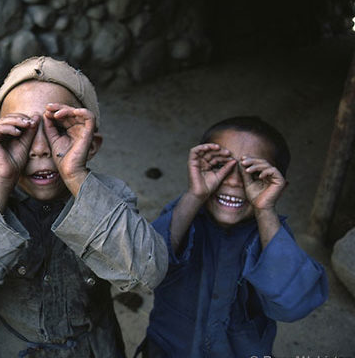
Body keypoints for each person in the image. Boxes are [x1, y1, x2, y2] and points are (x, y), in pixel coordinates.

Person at [0, 56, 169, 357]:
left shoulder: (110, 195)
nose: (40, 148)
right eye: (21, 131)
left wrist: (76, 177)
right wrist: (0, 178)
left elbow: (149, 272)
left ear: (90, 144)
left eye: (60, 128)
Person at [139, 116, 328, 357]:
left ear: (277, 186)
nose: (234, 181)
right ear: (197, 168)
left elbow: (294, 305)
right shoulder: (181, 217)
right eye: (220, 166)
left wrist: (264, 209)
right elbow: (143, 266)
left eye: (254, 173)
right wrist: (195, 194)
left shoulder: (272, 237)